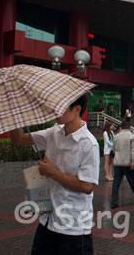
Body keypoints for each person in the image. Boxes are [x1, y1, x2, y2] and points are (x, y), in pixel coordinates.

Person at [10, 94, 99, 254]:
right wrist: (15, 115)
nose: (55, 111)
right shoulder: (54, 133)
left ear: (77, 109)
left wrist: (53, 173)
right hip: (47, 221)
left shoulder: (88, 144)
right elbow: (19, 139)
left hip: (73, 227)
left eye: (61, 107)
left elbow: (87, 186)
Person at [111, 121, 134, 209]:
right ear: (129, 127)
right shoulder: (132, 136)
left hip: (118, 162)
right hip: (127, 162)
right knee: (133, 182)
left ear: (121, 128)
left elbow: (113, 149)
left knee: (116, 184)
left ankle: (114, 202)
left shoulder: (116, 136)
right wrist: (133, 161)